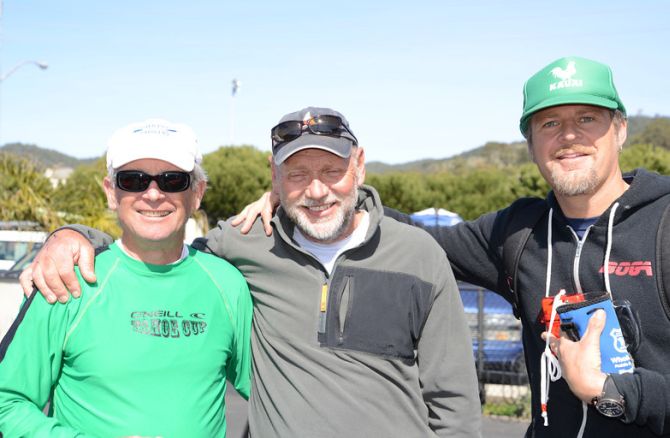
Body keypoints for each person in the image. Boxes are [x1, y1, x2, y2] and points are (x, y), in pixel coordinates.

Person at [225, 57, 670, 437]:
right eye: (550, 123)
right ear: (530, 142)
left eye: (587, 119)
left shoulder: (663, 225)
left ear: (621, 129)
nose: (569, 136)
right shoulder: (517, 232)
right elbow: (413, 239)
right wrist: (304, 194)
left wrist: (616, 390)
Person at [20, 107, 482, 437]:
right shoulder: (239, 250)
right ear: (275, 177)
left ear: (358, 165)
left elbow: (455, 405)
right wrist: (72, 233)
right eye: (134, 180)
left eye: (331, 169)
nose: (317, 190)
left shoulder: (418, 253)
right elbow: (8, 405)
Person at [0, 119, 252, 436]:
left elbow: (274, 395)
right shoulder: (64, 279)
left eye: (173, 180)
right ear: (111, 192)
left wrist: (278, 202)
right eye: (134, 180)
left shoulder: (227, 284)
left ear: (197, 193)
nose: (153, 194)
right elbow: (7, 404)